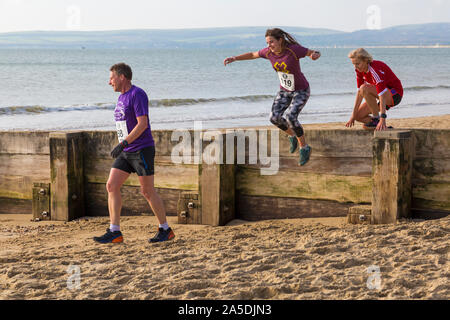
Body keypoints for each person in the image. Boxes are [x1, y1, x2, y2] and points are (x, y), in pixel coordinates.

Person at [94, 63, 175, 244]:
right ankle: (115, 231)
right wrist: (123, 145)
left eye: (111, 78)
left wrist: (123, 143)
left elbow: (142, 124)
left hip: (141, 149)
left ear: (122, 77)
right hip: (126, 150)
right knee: (111, 186)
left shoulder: (137, 94)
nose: (109, 82)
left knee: (147, 191)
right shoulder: (121, 98)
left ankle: (165, 229)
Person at [223, 28, 321, 166]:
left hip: (301, 90)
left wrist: (315, 55)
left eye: (272, 42)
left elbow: (312, 52)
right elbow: (252, 54)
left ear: (280, 40)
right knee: (274, 117)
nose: (269, 45)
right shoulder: (268, 52)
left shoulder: (293, 50)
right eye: (267, 43)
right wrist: (235, 58)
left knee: (291, 116)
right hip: (285, 90)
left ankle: (304, 147)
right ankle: (292, 135)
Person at [346, 48, 403, 131]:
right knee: (358, 116)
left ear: (366, 60)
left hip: (394, 94)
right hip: (381, 95)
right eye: (353, 64)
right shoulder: (359, 70)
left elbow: (382, 94)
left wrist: (383, 118)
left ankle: (377, 119)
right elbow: (359, 93)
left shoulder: (375, 69)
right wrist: (353, 116)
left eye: (358, 63)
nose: (355, 67)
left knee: (364, 88)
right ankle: (378, 124)